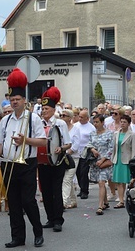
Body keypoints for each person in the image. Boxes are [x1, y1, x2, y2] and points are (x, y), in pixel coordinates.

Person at [0, 68, 48, 248]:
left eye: (17, 100)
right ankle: (18, 237)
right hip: (8, 163)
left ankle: (38, 232)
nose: (14, 102)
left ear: (24, 100)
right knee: (13, 202)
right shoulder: (5, 120)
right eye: (12, 100)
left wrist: (25, 141)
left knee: (28, 201)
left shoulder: (33, 119)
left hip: (27, 164)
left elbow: (43, 142)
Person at [37, 87, 72, 232]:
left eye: (46, 108)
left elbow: (68, 143)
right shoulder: (38, 123)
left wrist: (61, 148)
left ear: (52, 109)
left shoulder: (60, 123)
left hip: (57, 162)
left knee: (56, 191)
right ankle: (50, 218)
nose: (43, 111)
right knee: (45, 192)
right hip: (42, 162)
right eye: (42, 108)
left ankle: (58, 220)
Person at [85, 114, 114, 215]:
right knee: (99, 182)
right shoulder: (92, 133)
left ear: (102, 122)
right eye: (94, 122)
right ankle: (105, 202)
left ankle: (100, 206)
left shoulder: (109, 134)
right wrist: (92, 149)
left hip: (105, 161)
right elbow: (89, 144)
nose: (95, 124)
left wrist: (103, 159)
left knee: (102, 182)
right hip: (95, 161)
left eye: (97, 122)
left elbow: (111, 149)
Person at [111, 114, 135, 208]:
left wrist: (133, 161)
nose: (122, 124)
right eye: (121, 122)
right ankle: (121, 200)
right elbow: (114, 148)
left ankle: (128, 198)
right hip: (117, 159)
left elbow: (134, 149)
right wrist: (112, 159)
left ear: (129, 123)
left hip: (127, 160)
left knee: (126, 181)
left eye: (124, 122)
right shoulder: (116, 133)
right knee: (118, 181)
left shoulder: (132, 134)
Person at [72, 109, 95, 199]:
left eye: (82, 117)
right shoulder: (75, 126)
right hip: (76, 151)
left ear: (87, 118)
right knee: (77, 171)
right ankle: (81, 188)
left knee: (84, 171)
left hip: (86, 151)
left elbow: (92, 139)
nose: (80, 118)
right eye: (79, 116)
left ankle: (85, 190)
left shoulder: (91, 127)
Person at [61, 109, 78, 209]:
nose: (62, 117)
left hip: (73, 157)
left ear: (70, 118)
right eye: (61, 115)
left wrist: (67, 152)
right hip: (62, 157)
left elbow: (76, 144)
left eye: (65, 115)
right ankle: (73, 200)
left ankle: (63, 201)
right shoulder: (60, 128)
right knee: (68, 180)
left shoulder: (76, 129)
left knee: (67, 179)